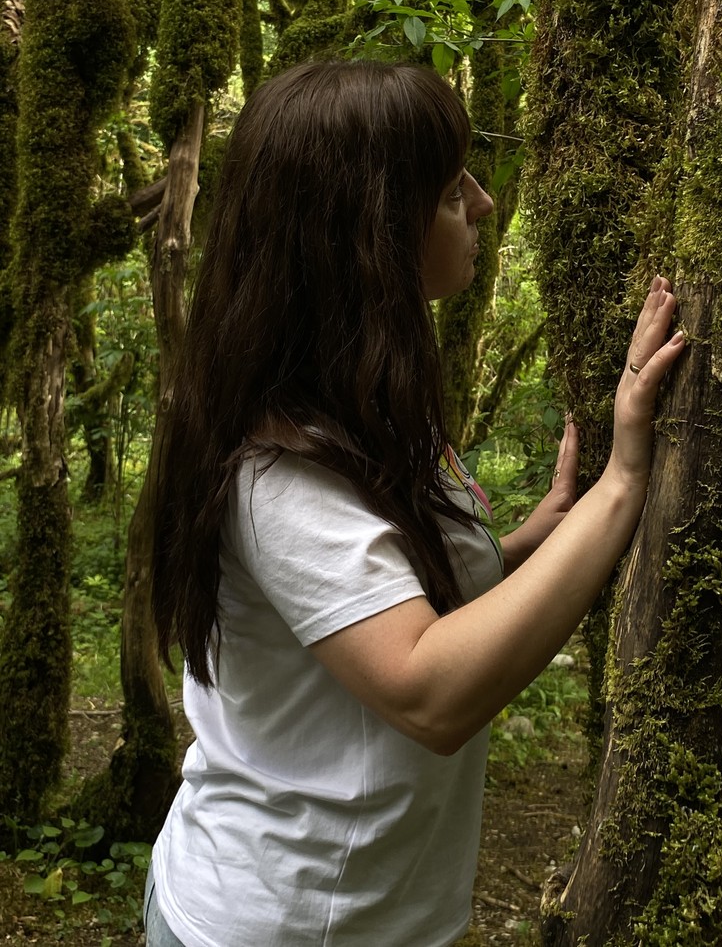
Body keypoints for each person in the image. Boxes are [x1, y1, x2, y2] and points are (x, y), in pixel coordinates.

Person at [146, 58, 685, 947]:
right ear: (365, 237)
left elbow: (372, 600)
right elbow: (427, 689)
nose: (480, 203)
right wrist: (624, 484)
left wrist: (523, 544)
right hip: (278, 925)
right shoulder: (275, 473)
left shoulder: (351, 403)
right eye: (446, 191)